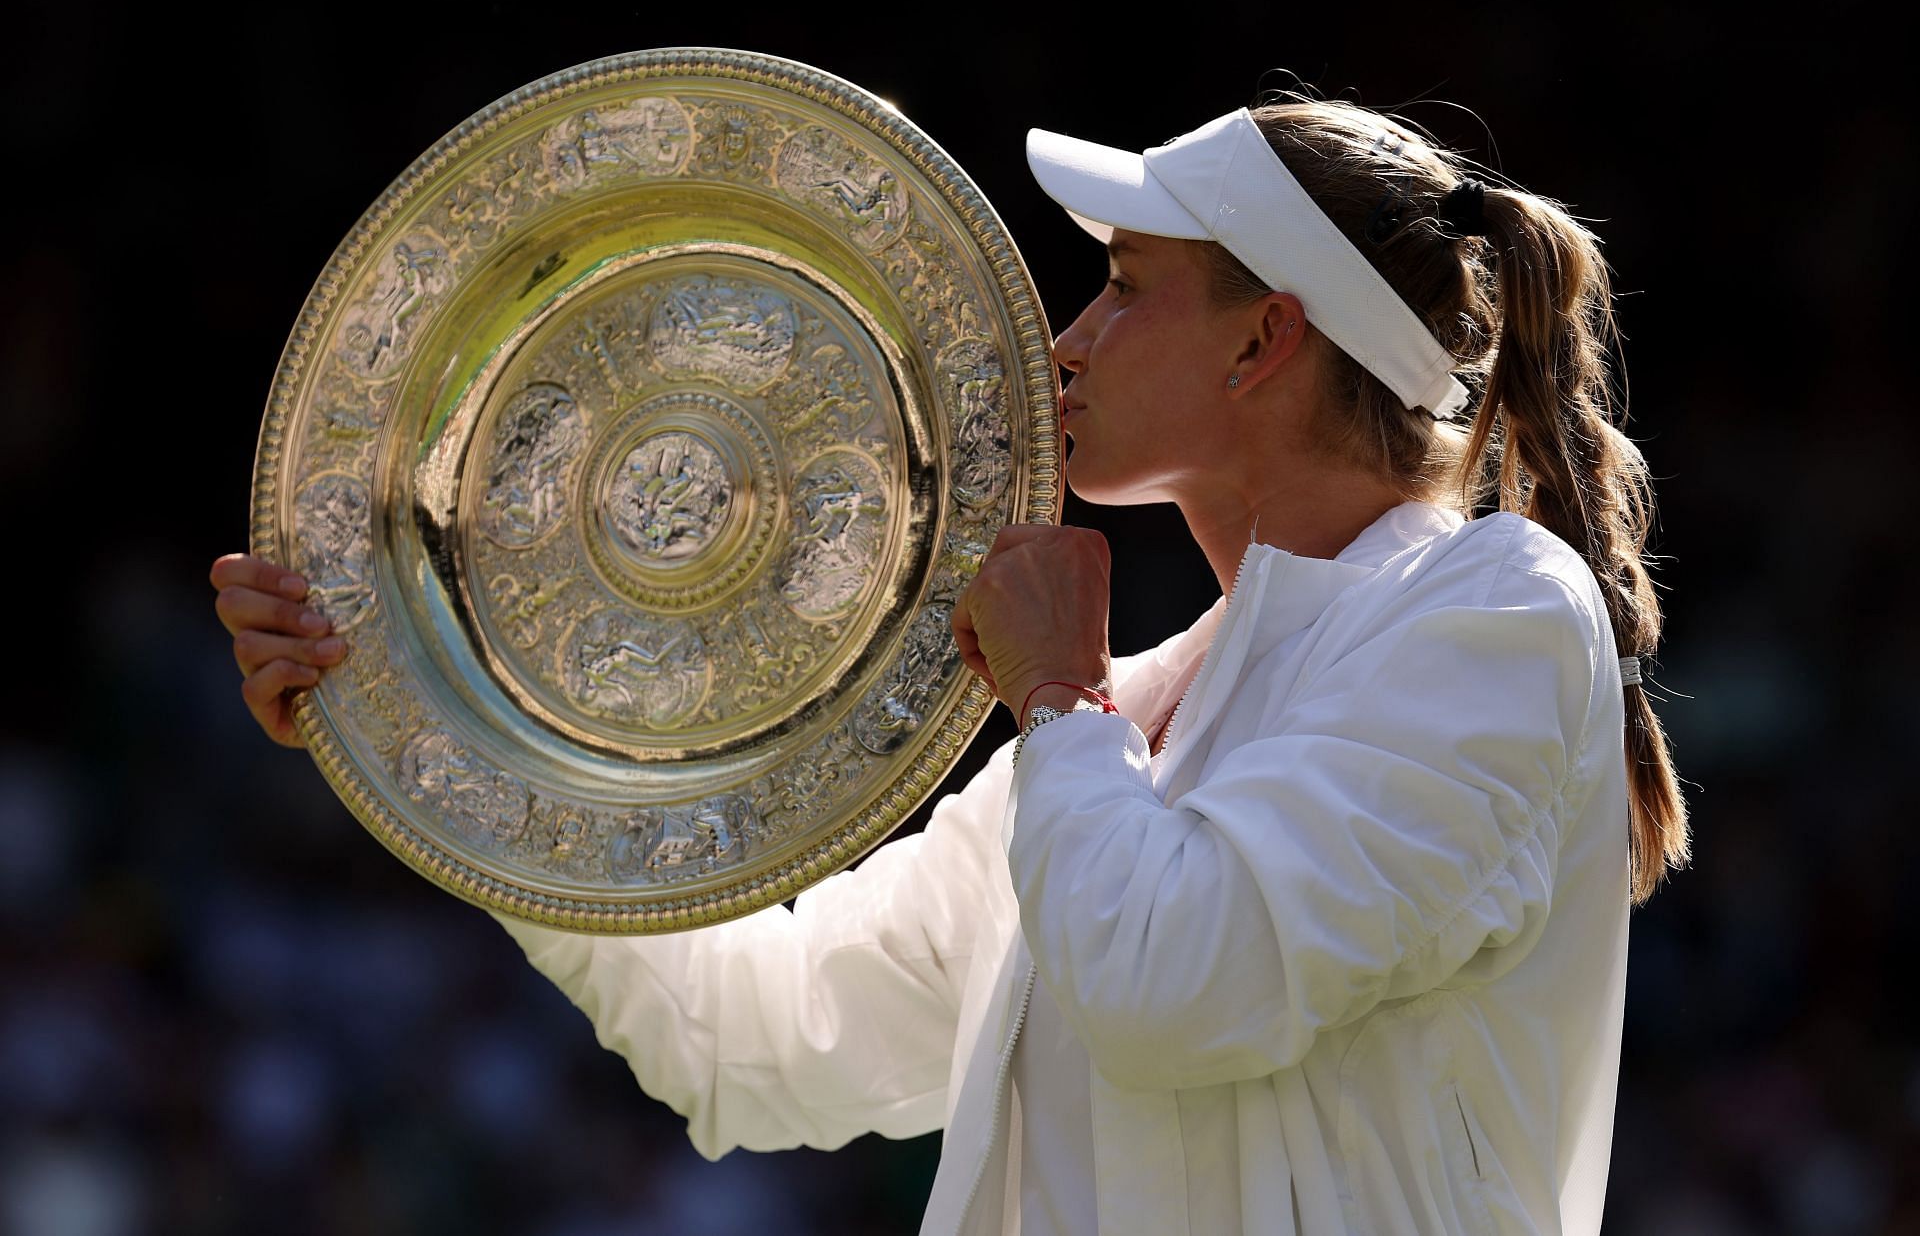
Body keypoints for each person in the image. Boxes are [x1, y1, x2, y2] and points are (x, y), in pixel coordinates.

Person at [211, 93, 1691, 1234]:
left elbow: (1177, 986)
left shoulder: (1497, 611)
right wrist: (443, 716)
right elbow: (757, 1041)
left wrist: (1058, 698)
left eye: (1123, 287)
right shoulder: (1141, 712)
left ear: (1263, 345)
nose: (1067, 340)